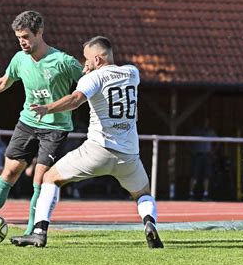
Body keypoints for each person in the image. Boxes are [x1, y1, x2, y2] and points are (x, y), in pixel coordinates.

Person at [10, 36, 163, 249]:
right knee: (143, 194)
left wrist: (47, 108)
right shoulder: (132, 72)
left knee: (50, 178)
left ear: (98, 59)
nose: (85, 64)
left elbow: (75, 100)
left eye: (88, 59)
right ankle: (149, 223)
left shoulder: (92, 78)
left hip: (98, 149)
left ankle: (39, 232)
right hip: (129, 154)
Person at [0, 10, 83, 242]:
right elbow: (4, 82)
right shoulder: (19, 59)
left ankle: (32, 233)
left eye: (25, 36)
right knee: (9, 173)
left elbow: (86, 86)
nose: (22, 41)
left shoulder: (63, 62)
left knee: (39, 180)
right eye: (18, 37)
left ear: (39, 32)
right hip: (27, 124)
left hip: (55, 128)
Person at [188, 118, 217, 201]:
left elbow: (218, 141)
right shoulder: (195, 131)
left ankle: (206, 194)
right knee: (194, 175)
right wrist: (191, 151)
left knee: (207, 175)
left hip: (207, 156)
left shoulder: (211, 131)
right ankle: (191, 194)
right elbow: (187, 141)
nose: (204, 123)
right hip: (197, 155)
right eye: (203, 121)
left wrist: (213, 151)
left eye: (206, 121)